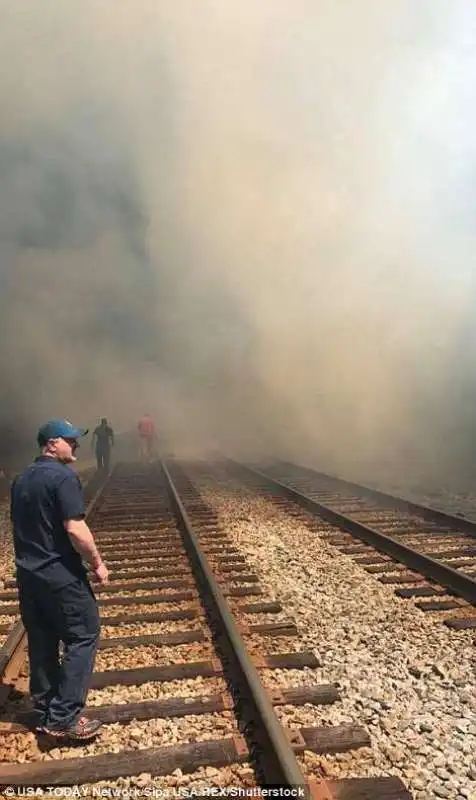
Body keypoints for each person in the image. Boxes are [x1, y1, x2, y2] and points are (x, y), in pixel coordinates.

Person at [10, 419, 109, 742]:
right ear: (52, 443)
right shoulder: (63, 477)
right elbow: (74, 529)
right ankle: (64, 718)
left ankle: (44, 709)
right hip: (60, 575)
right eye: (71, 440)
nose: (76, 445)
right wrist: (97, 564)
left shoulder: (21, 479)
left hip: (29, 575)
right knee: (84, 634)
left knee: (42, 640)